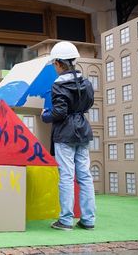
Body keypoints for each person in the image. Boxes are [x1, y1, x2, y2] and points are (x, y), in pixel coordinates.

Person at [41, 41, 95, 231]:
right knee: (85, 176)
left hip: (65, 134)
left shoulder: (58, 85)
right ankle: (88, 220)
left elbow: (60, 113)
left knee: (66, 176)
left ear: (58, 63)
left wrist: (45, 114)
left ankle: (65, 220)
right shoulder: (86, 82)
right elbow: (88, 105)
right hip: (83, 131)